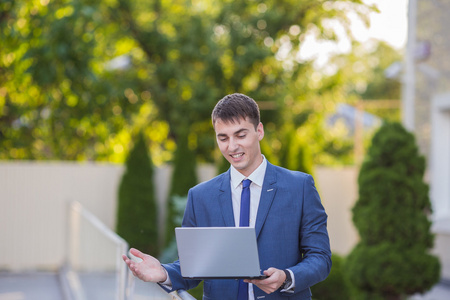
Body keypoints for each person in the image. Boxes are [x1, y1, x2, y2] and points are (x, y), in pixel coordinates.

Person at [122, 93, 331, 300]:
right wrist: (164, 273)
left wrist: (287, 277)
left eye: (240, 135)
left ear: (259, 131)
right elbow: (194, 266)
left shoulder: (299, 187)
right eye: (223, 138)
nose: (232, 146)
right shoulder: (200, 196)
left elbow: (320, 258)